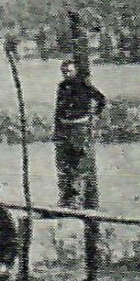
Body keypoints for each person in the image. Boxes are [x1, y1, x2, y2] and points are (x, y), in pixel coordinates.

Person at [53, 59, 108, 208]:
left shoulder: (83, 85)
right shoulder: (62, 87)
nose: (66, 74)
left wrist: (92, 116)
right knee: (65, 163)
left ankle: (78, 200)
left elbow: (101, 99)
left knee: (79, 163)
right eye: (64, 72)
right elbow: (58, 109)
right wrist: (57, 128)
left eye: (69, 71)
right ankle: (66, 199)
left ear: (75, 71)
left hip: (79, 127)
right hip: (65, 127)